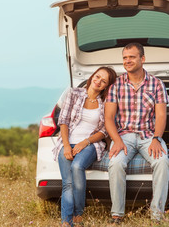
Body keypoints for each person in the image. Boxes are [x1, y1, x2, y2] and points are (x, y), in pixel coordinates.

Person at [104, 43, 169, 223]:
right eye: (125, 58)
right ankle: (117, 215)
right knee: (116, 164)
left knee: (162, 161)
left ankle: (157, 216)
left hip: (149, 135)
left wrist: (157, 138)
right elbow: (108, 117)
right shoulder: (116, 85)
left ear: (142, 59)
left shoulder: (156, 84)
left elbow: (161, 115)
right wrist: (116, 140)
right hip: (123, 136)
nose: (127, 61)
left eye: (131, 57)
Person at [53, 66, 117, 227]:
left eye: (103, 81)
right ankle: (67, 222)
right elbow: (64, 121)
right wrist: (67, 146)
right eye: (97, 77)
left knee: (77, 166)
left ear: (106, 86)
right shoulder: (74, 93)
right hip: (67, 142)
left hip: (91, 144)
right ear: (92, 77)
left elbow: (104, 131)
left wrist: (85, 142)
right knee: (67, 182)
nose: (98, 81)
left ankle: (78, 214)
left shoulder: (105, 102)